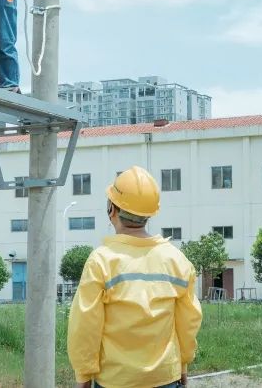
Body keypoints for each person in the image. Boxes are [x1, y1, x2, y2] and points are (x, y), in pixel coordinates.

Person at [67, 166, 202, 388]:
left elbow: (85, 325)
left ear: (112, 209)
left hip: (115, 380)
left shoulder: (101, 261)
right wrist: (183, 364)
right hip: (165, 377)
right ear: (149, 214)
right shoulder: (176, 260)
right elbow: (188, 322)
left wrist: (84, 375)